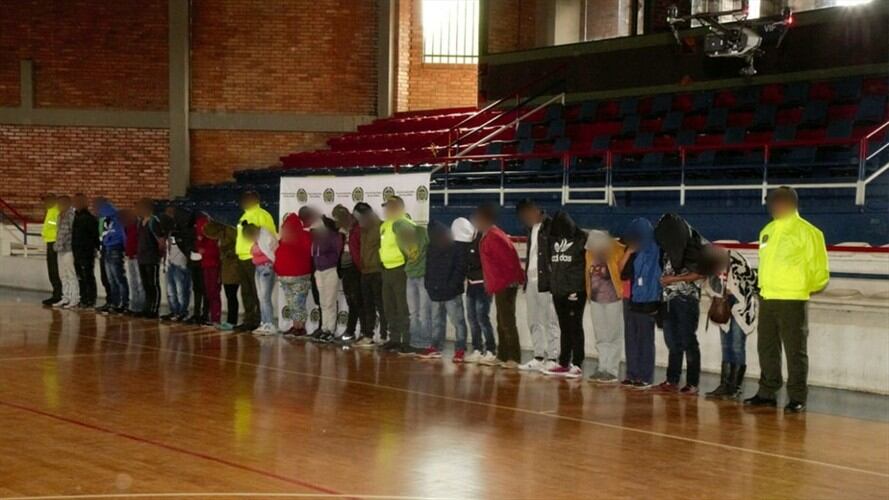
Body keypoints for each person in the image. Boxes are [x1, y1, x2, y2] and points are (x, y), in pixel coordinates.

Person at [745, 186, 829, 413]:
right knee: (767, 347)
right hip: (768, 296)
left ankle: (797, 396)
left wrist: (800, 288)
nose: (772, 206)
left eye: (776, 202)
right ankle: (767, 392)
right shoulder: (767, 230)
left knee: (795, 351)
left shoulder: (808, 232)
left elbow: (819, 271)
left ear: (790, 203)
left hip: (792, 298)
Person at [654, 213, 707, 395]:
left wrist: (673, 279)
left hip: (687, 299)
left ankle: (692, 382)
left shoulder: (694, 247)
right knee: (672, 342)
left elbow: (701, 273)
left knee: (688, 341)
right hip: (668, 299)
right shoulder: (669, 248)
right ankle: (672, 379)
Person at [700, 244, 758, 399]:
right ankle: (725, 384)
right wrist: (718, 293)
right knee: (726, 344)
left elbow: (753, 281)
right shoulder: (710, 263)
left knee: (737, 345)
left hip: (740, 305)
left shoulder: (737, 260)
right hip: (722, 304)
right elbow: (707, 284)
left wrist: (735, 290)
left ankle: (735, 387)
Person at [474, 203, 524, 368]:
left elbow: (508, 261)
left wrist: (509, 282)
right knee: (501, 320)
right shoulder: (490, 235)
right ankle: (502, 355)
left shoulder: (494, 236)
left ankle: (514, 358)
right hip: (501, 284)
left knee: (507, 321)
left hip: (506, 284)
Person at [542, 212, 588, 379]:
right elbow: (551, 263)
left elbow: (585, 265)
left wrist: (577, 288)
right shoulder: (554, 239)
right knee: (564, 327)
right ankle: (563, 362)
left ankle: (577, 363)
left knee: (575, 326)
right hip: (558, 291)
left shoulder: (582, 238)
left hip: (575, 291)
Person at [516, 199, 559, 372]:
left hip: (546, 282)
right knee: (533, 320)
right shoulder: (530, 229)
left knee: (550, 320)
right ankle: (539, 355)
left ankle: (554, 356)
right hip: (531, 281)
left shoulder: (551, 226)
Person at [620, 218, 662, 389]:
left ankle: (645, 376)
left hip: (648, 298)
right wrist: (629, 253)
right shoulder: (630, 248)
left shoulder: (656, 250)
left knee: (645, 338)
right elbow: (620, 270)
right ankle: (632, 373)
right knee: (631, 337)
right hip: (629, 297)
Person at [452, 217, 497, 365]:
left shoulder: (482, 239)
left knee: (482, 318)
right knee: (472, 318)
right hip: (471, 284)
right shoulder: (466, 243)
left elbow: (484, 263)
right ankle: (477, 348)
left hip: (484, 284)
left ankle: (491, 350)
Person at [422, 221, 469, 361]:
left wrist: (452, 286)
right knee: (437, 321)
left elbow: (460, 269)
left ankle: (460, 348)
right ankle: (436, 346)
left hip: (451, 293)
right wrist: (428, 285)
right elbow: (428, 267)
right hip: (435, 291)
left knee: (458, 321)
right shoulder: (431, 247)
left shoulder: (456, 247)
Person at [584, 229, 627, 384]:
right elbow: (587, 273)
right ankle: (602, 367)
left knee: (613, 335)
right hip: (596, 299)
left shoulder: (617, 250)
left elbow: (623, 270)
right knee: (601, 336)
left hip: (613, 298)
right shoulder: (589, 254)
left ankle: (612, 370)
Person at [378, 196, 417, 355]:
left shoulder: (405, 224)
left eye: (390, 207)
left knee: (403, 307)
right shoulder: (385, 225)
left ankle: (406, 341)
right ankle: (394, 338)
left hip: (400, 270)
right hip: (387, 270)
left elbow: (413, 250)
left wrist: (407, 266)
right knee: (389, 306)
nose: (386, 210)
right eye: (386, 207)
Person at [234, 191, 277, 332]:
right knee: (246, 292)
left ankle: (261, 319)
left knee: (258, 292)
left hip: (255, 259)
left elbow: (269, 237)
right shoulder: (244, 216)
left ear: (255, 199)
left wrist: (258, 251)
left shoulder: (262, 215)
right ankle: (249, 319)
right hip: (242, 257)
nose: (244, 201)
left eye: (247, 198)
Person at [353, 202, 387, 347]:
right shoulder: (362, 228)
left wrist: (379, 264)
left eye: (358, 216)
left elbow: (384, 248)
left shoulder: (380, 226)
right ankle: (368, 335)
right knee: (368, 305)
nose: (357, 220)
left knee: (381, 305)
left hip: (377, 271)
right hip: (365, 271)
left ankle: (385, 335)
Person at [275, 213, 313, 338]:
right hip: (285, 276)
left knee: (298, 303)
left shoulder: (304, 237)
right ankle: (296, 325)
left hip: (300, 276)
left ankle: (300, 326)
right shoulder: (285, 239)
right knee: (292, 303)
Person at [400, 208, 430, 355]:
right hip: (410, 275)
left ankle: (425, 343)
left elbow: (427, 251)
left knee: (424, 312)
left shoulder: (421, 232)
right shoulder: (399, 238)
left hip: (423, 275)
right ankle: (414, 342)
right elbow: (408, 257)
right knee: (413, 313)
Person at [310, 215, 343, 343]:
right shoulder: (316, 239)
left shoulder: (334, 237)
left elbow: (336, 254)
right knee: (323, 302)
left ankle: (330, 329)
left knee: (330, 302)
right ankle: (324, 328)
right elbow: (314, 254)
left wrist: (327, 262)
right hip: (319, 271)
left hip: (330, 270)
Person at [333, 204, 363, 344]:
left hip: (355, 269)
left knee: (357, 301)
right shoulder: (342, 231)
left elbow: (358, 250)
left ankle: (357, 332)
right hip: (344, 269)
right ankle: (350, 331)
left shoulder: (356, 228)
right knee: (351, 301)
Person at [203, 219, 240, 330]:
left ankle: (232, 321)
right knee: (229, 295)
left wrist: (228, 253)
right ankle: (230, 320)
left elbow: (238, 246)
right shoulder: (223, 235)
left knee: (232, 295)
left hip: (234, 268)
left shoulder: (230, 231)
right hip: (226, 268)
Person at [243, 222, 279, 335]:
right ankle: (264, 322)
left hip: (266, 268)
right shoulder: (258, 239)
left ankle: (270, 323)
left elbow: (272, 253)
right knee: (260, 296)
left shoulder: (266, 237)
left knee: (265, 297)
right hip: (258, 268)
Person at [161, 207, 193, 321]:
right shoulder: (169, 231)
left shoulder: (185, 230)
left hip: (181, 263)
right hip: (170, 263)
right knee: (170, 290)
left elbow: (188, 247)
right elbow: (167, 248)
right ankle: (174, 311)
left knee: (181, 290)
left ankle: (182, 312)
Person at [97, 200, 129, 314]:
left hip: (115, 250)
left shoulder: (118, 221)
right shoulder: (108, 221)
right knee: (111, 280)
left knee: (119, 278)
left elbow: (122, 236)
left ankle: (124, 303)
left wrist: (124, 249)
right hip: (107, 250)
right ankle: (114, 303)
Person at [134, 199, 162, 318]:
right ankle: (146, 307)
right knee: (146, 284)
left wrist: (159, 255)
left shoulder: (153, 221)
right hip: (142, 257)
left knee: (153, 284)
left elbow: (160, 240)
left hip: (151, 257)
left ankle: (154, 309)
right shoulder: (140, 222)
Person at [71, 194, 99, 308]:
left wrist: (94, 249)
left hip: (86, 253)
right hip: (77, 252)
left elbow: (94, 236)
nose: (76, 204)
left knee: (88, 276)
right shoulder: (76, 217)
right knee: (80, 277)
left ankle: (90, 299)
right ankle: (83, 297)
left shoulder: (89, 218)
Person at [52, 195, 79, 309]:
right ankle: (65, 296)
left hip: (69, 249)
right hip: (60, 249)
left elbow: (72, 232)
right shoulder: (59, 215)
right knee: (62, 274)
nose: (59, 206)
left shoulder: (71, 215)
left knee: (71, 274)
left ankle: (74, 298)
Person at [195, 213, 222, 326]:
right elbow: (198, 247)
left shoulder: (216, 239)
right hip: (206, 266)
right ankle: (211, 316)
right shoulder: (202, 239)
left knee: (214, 292)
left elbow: (217, 254)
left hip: (214, 267)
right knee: (209, 292)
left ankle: (216, 318)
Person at [121, 209, 145, 315]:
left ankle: (141, 306)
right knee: (133, 282)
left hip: (138, 257)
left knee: (140, 282)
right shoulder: (128, 227)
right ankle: (134, 306)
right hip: (130, 256)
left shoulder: (139, 226)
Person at [41, 194, 62, 306]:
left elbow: (59, 228)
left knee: (55, 270)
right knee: (52, 270)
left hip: (55, 243)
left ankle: (58, 294)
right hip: (50, 242)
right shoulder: (50, 211)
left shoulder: (56, 211)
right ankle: (56, 293)